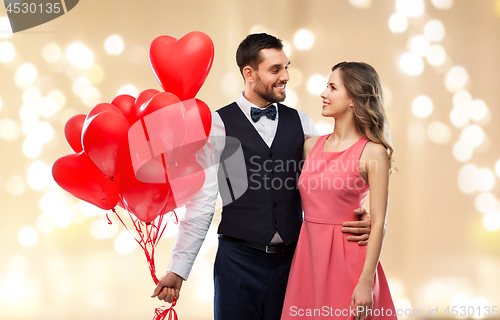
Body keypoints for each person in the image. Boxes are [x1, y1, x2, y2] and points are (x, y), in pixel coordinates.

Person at [151, 34, 372, 320]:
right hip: (237, 264)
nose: (286, 77)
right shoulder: (217, 125)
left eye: (287, 67)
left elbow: (331, 179)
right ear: (249, 74)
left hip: (295, 263)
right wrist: (178, 269)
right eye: (276, 69)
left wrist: (360, 211)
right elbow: (202, 203)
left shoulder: (302, 123)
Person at [280, 62, 398, 320]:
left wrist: (366, 282)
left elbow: (378, 223)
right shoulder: (310, 146)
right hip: (307, 261)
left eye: (332, 87)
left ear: (355, 97)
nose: (324, 93)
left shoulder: (373, 152)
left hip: (350, 263)